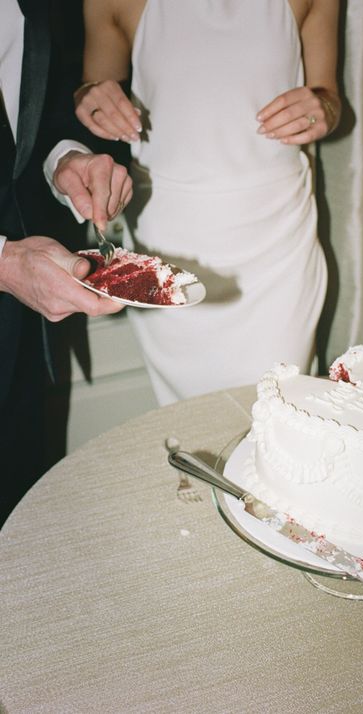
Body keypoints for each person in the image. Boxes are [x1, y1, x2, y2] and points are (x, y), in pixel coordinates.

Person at [75, 0, 341, 405]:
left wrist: (322, 109)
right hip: (170, 239)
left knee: (282, 408)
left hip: (277, 240)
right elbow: (92, 89)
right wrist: (92, 99)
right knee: (188, 417)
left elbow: (330, 100)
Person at [0, 0, 133, 526]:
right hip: (20, 274)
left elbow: (43, 110)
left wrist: (67, 160)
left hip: (29, 336)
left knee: (27, 516)